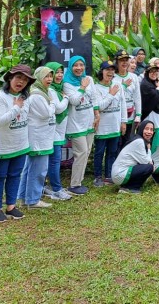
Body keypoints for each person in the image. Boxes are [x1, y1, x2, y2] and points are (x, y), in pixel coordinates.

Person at [0, 65, 34, 222]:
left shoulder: (24, 98)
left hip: (20, 144)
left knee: (15, 176)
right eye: (18, 78)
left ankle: (11, 207)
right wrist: (16, 108)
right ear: (9, 78)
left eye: (25, 79)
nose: (21, 82)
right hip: (2, 146)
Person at [21, 66, 58, 208]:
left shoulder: (42, 93)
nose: (49, 79)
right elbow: (46, 113)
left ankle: (25, 197)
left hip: (41, 137)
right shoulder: (37, 95)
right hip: (38, 139)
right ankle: (33, 199)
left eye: (50, 76)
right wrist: (53, 103)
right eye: (46, 76)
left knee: (30, 168)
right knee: (38, 170)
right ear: (38, 78)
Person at [63, 55, 97, 195]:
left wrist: (97, 115)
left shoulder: (90, 79)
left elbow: (94, 98)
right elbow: (74, 101)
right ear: (71, 67)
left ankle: (79, 180)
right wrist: (82, 87)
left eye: (81, 65)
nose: (79, 68)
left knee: (86, 152)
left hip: (89, 122)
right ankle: (74, 185)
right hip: (75, 124)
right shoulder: (67, 83)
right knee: (81, 152)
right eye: (75, 65)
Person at [92, 61, 126, 187]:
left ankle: (108, 175)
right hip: (102, 128)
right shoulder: (95, 88)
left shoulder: (118, 86)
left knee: (112, 152)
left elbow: (122, 105)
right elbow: (99, 107)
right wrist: (111, 95)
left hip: (115, 126)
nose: (110, 72)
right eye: (107, 70)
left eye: (112, 70)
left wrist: (123, 122)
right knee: (99, 152)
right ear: (102, 71)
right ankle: (97, 176)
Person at [43, 62, 71, 201]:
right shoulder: (51, 90)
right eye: (56, 73)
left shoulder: (58, 89)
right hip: (53, 131)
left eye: (61, 72)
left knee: (53, 161)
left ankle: (49, 186)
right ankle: (56, 189)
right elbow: (59, 109)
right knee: (54, 161)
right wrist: (66, 98)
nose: (59, 75)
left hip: (58, 131)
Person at [112, 119, 155, 194]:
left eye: (151, 130)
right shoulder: (139, 142)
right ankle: (130, 188)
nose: (149, 132)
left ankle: (127, 185)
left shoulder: (138, 139)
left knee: (149, 165)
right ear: (141, 129)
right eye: (146, 129)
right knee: (149, 167)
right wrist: (149, 149)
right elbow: (145, 162)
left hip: (119, 173)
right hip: (119, 174)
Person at [112, 49, 140, 148]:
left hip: (131, 113)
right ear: (117, 62)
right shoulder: (113, 77)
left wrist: (138, 114)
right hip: (117, 114)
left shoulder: (133, 77)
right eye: (121, 60)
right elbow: (113, 95)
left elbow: (137, 96)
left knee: (127, 141)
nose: (124, 62)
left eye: (126, 60)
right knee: (116, 143)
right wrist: (123, 86)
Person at [139, 63, 159, 128]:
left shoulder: (154, 82)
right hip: (150, 114)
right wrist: (158, 88)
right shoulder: (145, 84)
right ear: (147, 73)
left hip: (157, 113)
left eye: (156, 71)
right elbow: (155, 97)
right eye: (151, 72)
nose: (154, 73)